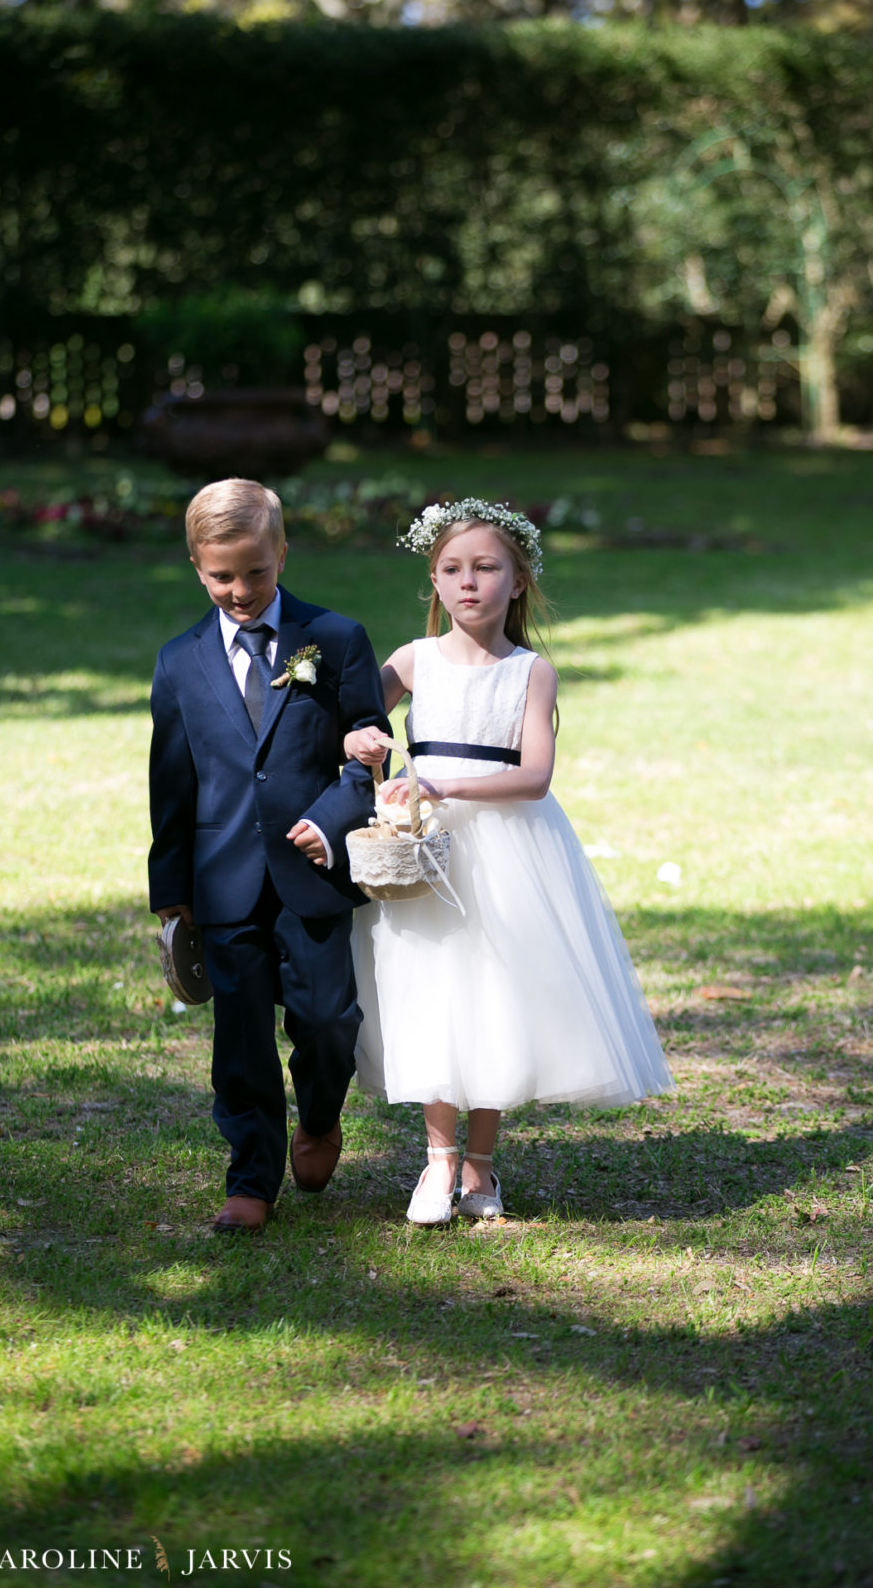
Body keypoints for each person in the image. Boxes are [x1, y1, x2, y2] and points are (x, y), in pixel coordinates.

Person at [345, 498, 672, 1226]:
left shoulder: (532, 673)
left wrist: (446, 781)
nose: (469, 583)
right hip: (424, 846)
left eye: (487, 568)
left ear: (518, 580)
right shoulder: (412, 660)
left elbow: (534, 776)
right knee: (429, 988)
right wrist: (360, 740)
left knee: (495, 992)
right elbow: (356, 716)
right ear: (434, 579)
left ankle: (481, 1164)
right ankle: (436, 1160)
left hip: (509, 846)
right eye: (452, 569)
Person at [148, 478, 389, 1232]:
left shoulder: (336, 638)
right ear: (196, 565)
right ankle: (250, 1174)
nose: (241, 589)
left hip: (313, 874)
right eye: (222, 575)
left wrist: (333, 812)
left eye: (256, 570)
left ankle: (318, 1117)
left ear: (282, 551)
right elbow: (172, 779)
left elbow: (369, 751)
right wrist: (171, 887)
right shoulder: (179, 661)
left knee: (326, 1020)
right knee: (241, 1033)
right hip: (222, 881)